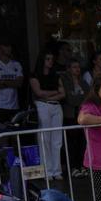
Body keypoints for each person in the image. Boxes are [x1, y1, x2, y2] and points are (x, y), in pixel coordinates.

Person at [30, 50, 66, 180]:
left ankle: (57, 171)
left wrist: (49, 94)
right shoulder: (35, 76)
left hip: (55, 106)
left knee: (57, 140)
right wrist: (54, 92)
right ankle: (47, 171)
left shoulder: (55, 75)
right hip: (42, 106)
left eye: (51, 59)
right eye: (47, 59)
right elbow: (39, 93)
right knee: (45, 138)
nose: (50, 61)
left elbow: (63, 94)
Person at [59, 60, 88, 178]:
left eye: (78, 67)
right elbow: (69, 98)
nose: (77, 69)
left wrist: (80, 100)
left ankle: (82, 165)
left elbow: (87, 95)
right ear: (69, 68)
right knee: (71, 143)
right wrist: (79, 99)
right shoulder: (65, 81)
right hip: (70, 115)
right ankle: (72, 167)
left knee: (82, 142)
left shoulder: (82, 81)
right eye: (74, 67)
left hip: (81, 114)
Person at [0, 39, 23, 124]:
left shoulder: (16, 64)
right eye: (6, 46)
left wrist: (2, 81)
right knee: (3, 132)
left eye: (10, 46)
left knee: (14, 132)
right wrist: (12, 82)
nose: (9, 48)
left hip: (14, 106)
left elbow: (19, 83)